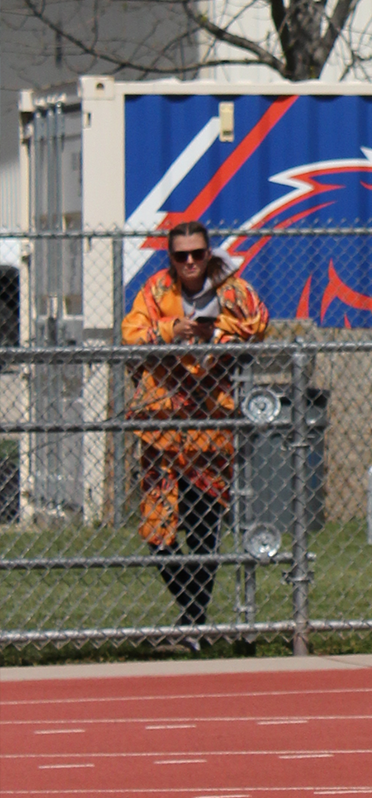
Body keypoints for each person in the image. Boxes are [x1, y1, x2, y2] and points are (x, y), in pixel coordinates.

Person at [122, 221, 270, 649]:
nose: (189, 262)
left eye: (197, 254)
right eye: (180, 255)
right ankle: (195, 618)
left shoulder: (232, 290)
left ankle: (192, 626)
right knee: (158, 531)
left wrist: (215, 329)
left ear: (209, 254)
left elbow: (259, 323)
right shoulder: (155, 290)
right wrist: (172, 331)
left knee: (204, 526)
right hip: (163, 427)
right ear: (170, 258)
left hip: (210, 426)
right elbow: (131, 333)